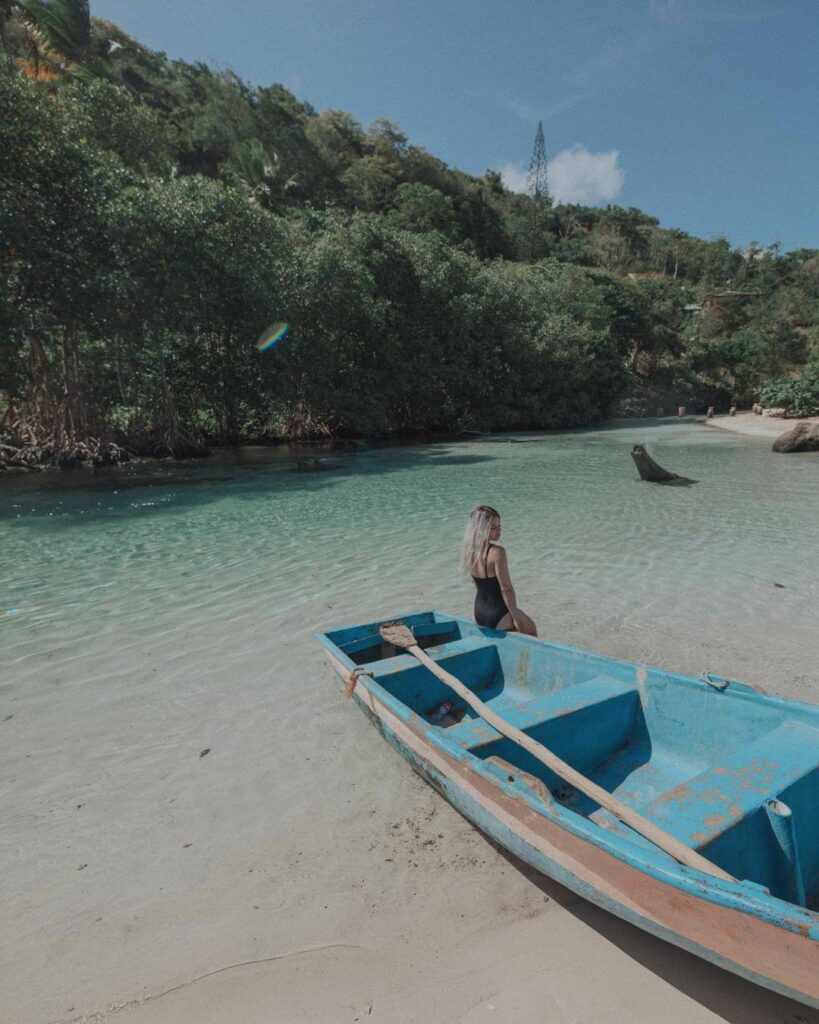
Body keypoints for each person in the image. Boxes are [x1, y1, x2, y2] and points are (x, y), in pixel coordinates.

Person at [460, 505, 537, 635]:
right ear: (481, 530)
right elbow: (506, 588)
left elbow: (477, 583)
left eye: (499, 525)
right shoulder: (497, 552)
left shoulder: (469, 551)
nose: (499, 530)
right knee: (531, 628)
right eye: (493, 527)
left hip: (478, 613)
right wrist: (516, 616)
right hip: (498, 616)